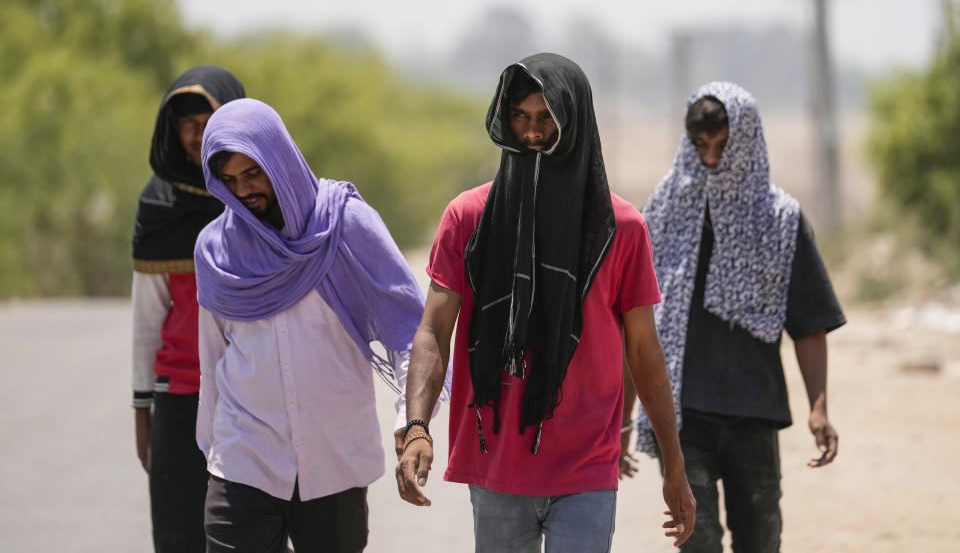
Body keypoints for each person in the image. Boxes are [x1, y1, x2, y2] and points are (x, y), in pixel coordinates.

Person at [396, 53, 695, 552]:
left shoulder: (619, 230)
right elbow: (432, 330)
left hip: (586, 465)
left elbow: (643, 352)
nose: (533, 133)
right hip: (495, 463)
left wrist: (675, 468)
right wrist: (417, 426)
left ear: (575, 122)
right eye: (521, 117)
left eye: (547, 118)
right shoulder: (468, 219)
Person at [623, 81, 845, 552]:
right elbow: (637, 329)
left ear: (747, 141)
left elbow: (808, 323)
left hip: (754, 415)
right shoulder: (660, 215)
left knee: (760, 540)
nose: (709, 159)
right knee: (697, 542)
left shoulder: (780, 219)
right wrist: (623, 417)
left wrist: (819, 407)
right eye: (700, 146)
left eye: (722, 147)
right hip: (681, 417)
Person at [194, 98, 423, 553]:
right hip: (244, 464)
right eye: (230, 181)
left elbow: (408, 330)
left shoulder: (346, 226)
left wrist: (411, 421)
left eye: (253, 174)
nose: (243, 191)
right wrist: (212, 449)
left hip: (334, 463)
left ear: (278, 161)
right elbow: (213, 358)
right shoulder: (216, 251)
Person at [131, 65, 245, 553]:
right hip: (178, 397)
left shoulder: (257, 195)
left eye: (209, 121)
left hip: (250, 397)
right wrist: (142, 410)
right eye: (188, 125)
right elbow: (146, 321)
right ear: (172, 130)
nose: (199, 135)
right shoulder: (159, 206)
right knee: (179, 537)